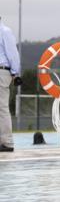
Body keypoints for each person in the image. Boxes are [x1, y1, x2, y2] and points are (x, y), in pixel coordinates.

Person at [0, 17, 22, 152]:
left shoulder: (5, 31)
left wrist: (16, 73)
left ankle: (7, 142)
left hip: (2, 71)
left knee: (1, 107)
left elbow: (13, 54)